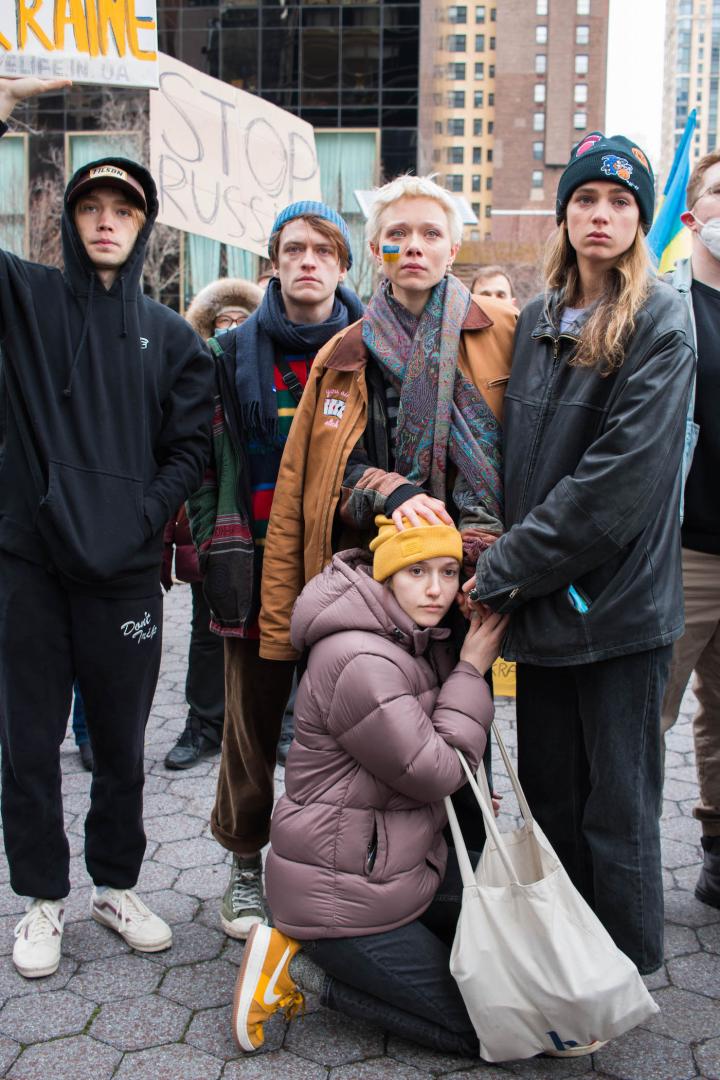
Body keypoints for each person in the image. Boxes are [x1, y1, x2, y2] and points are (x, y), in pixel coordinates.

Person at [464, 132, 696, 974]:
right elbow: (519, 458)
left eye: (621, 203)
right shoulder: (535, 318)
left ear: (640, 221)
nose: (602, 215)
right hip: (541, 603)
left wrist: (502, 568)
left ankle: (628, 969)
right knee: (552, 798)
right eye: (587, 199)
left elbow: (615, 489)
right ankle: (567, 962)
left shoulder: (661, 320)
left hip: (617, 609)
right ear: (564, 212)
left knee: (620, 809)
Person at [0, 77, 214, 979]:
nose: (104, 220)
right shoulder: (30, 304)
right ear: (69, 218)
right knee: (29, 740)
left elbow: (190, 450)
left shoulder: (171, 338)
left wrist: (137, 515)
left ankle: (116, 883)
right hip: (31, 565)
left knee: (121, 743)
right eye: (90, 204)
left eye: (122, 208)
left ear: (143, 226)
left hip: (124, 571)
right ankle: (42, 898)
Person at [232, 517, 507, 1055]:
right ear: (384, 580)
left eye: (449, 572)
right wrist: (472, 668)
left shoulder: (413, 636)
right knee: (490, 1031)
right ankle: (304, 973)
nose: (435, 589)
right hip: (338, 902)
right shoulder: (358, 658)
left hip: (395, 870)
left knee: (508, 965)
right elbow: (438, 770)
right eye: (416, 572)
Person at [187, 201, 364, 941]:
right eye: (295, 249)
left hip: (345, 569)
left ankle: (330, 868)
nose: (309, 262)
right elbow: (201, 459)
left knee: (340, 730)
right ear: (274, 263)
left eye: (324, 250)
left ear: (343, 266)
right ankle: (243, 865)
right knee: (251, 728)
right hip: (254, 562)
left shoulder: (372, 350)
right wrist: (213, 548)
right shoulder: (231, 354)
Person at [259, 174, 516, 666]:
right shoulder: (343, 352)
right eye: (397, 236)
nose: (413, 247)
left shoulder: (505, 328)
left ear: (454, 248)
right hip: (381, 576)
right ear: (377, 251)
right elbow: (319, 479)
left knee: (465, 719)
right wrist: (395, 492)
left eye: (431, 234)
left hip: (476, 574)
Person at [163, 277, 263, 770]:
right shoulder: (196, 370)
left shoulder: (269, 370)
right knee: (208, 631)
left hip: (264, 520)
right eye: (222, 322)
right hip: (210, 524)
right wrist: (202, 528)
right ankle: (203, 723)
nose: (232, 330)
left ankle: (282, 721)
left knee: (277, 624)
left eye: (242, 320)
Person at [661, 150, 720, 910]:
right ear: (692, 214)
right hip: (684, 550)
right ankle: (626, 859)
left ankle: (716, 849)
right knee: (653, 708)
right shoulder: (666, 305)